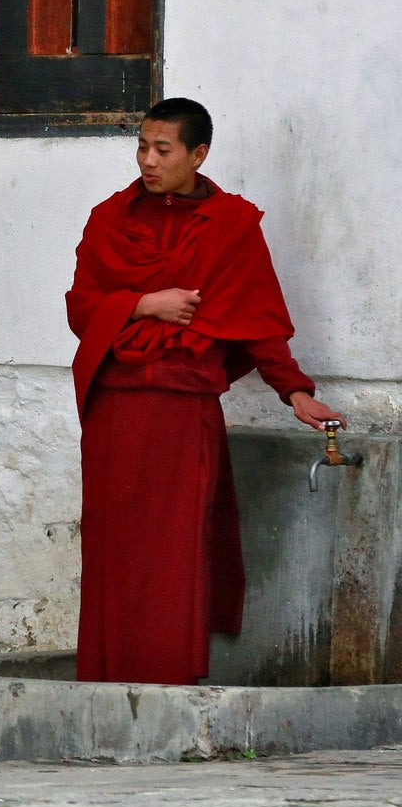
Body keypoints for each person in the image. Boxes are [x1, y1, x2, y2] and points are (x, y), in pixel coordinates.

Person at [66, 97, 344, 685]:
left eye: (162, 149)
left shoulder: (231, 226)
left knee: (176, 552)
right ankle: (106, 677)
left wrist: (293, 391)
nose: (147, 160)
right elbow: (80, 306)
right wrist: (146, 303)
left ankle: (170, 678)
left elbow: (259, 315)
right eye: (142, 147)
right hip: (116, 404)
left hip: (182, 407)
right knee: (114, 548)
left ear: (198, 154)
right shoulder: (110, 219)